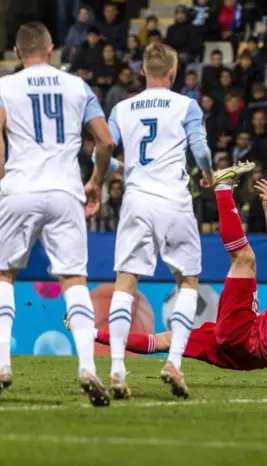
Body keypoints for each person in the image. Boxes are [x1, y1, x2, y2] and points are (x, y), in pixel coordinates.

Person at [93, 173, 267, 390]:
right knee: (166, 341)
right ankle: (93, 334)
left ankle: (222, 190)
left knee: (245, 258)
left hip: (243, 334)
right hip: (240, 360)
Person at [0, 22, 114, 406]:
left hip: (19, 189)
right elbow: (105, 140)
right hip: (66, 191)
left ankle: (2, 364)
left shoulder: (5, 86)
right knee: (74, 279)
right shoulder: (77, 86)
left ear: (18, 52)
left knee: (4, 275)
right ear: (51, 49)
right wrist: (95, 181)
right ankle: (88, 366)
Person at [103, 43, 215, 400]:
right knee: (188, 280)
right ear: (172, 71)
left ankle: (117, 369)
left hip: (137, 200)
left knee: (125, 281)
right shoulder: (186, 105)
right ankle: (174, 362)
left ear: (143, 72)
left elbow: (101, 149)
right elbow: (201, 150)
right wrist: (208, 173)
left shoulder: (122, 108)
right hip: (174, 201)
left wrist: (117, 169)